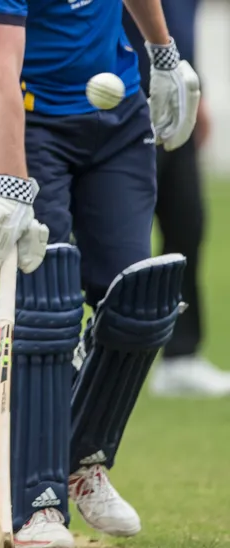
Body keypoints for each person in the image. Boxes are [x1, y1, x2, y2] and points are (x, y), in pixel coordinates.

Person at [0, 0, 199, 548]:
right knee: (48, 306)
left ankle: (82, 456)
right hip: (30, 119)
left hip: (117, 119)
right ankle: (38, 502)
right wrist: (15, 187)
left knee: (139, 301)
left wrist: (163, 54)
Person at [122, 1, 230, 397]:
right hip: (125, 102)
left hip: (175, 102)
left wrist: (196, 96)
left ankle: (180, 357)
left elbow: (182, 35)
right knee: (117, 234)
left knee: (188, 223)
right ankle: (27, 319)